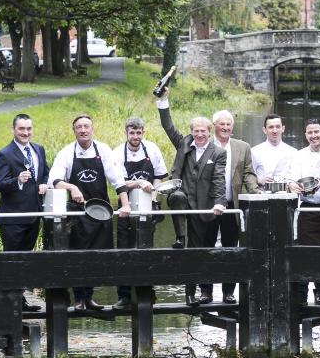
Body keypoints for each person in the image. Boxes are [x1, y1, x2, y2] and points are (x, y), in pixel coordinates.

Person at [48, 114, 131, 311]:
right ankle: (78, 299)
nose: (83, 130)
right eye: (79, 127)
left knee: (96, 259)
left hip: (101, 212)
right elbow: (55, 180)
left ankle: (89, 297)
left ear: (92, 129)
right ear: (74, 131)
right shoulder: (66, 153)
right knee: (77, 257)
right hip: (77, 215)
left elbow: (118, 180)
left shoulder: (103, 150)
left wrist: (126, 205)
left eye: (86, 126)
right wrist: (71, 187)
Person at [156, 93, 227, 307]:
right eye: (196, 131)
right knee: (177, 196)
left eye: (203, 131)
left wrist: (220, 202)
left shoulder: (218, 153)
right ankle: (179, 237)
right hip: (183, 198)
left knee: (195, 252)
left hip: (202, 207)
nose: (199, 134)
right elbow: (168, 126)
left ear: (209, 132)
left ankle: (190, 293)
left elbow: (218, 180)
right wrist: (163, 101)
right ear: (191, 132)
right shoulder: (183, 144)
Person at [111, 116, 168, 311]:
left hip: (147, 209)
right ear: (126, 133)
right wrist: (138, 183)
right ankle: (124, 296)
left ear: (143, 132)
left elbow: (159, 176)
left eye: (138, 132)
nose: (135, 136)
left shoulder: (152, 149)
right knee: (124, 253)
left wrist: (154, 196)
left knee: (146, 252)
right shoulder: (117, 153)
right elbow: (118, 182)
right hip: (125, 209)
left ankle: (146, 292)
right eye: (132, 133)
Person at [0, 113, 49, 313]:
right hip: (13, 218)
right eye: (21, 129)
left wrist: (44, 184)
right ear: (13, 130)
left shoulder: (38, 149)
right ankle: (9, 303)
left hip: (34, 215)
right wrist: (17, 180)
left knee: (25, 260)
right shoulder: (4, 154)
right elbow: (1, 184)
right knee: (12, 260)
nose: (26, 133)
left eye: (28, 129)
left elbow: (45, 172)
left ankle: (20, 299)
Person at [206, 109, 260, 304]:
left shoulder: (242, 146)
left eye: (229, 124)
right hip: (208, 205)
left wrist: (255, 192)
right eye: (222, 124)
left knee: (231, 249)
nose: (226, 127)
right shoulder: (205, 144)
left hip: (231, 205)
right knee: (207, 248)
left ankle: (229, 292)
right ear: (214, 126)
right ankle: (205, 291)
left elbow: (248, 173)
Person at [287, 118, 320, 307]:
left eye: (316, 131)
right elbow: (291, 179)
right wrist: (292, 185)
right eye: (310, 132)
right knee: (305, 252)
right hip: (307, 208)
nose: (314, 135)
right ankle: (301, 295)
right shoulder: (299, 155)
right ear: (305, 134)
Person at [250, 114, 296, 190]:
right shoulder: (254, 151)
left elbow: (296, 176)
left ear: (283, 129)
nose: (275, 131)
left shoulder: (293, 152)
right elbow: (248, 176)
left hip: (286, 195)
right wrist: (258, 180)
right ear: (264, 130)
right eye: (271, 127)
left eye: (278, 127)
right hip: (262, 194)